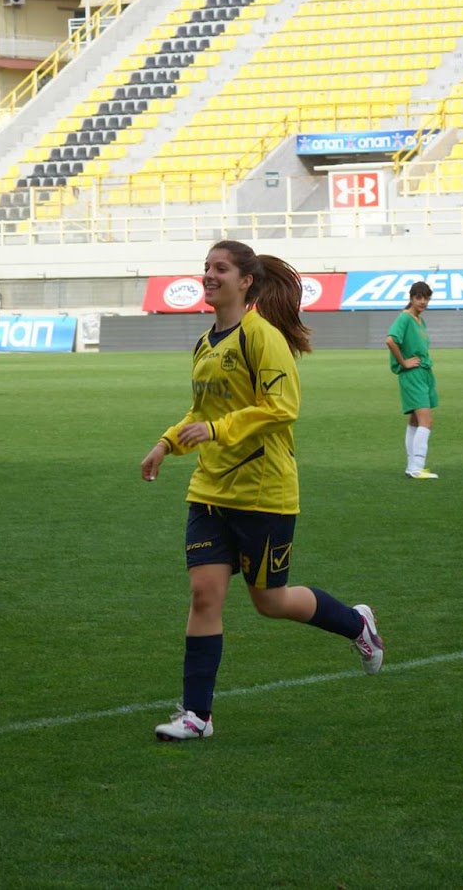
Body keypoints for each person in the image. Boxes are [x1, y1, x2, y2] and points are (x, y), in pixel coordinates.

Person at [139, 239, 385, 741]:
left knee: (269, 602)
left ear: (246, 280)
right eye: (206, 267)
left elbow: (282, 407)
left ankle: (356, 624)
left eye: (221, 268)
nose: (209, 275)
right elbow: (201, 413)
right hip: (210, 491)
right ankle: (197, 716)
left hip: (263, 492)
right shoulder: (205, 344)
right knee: (204, 596)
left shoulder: (262, 337)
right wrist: (166, 443)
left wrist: (218, 430)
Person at [386, 280, 438, 479]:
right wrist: (404, 362)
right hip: (413, 374)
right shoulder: (405, 318)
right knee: (426, 420)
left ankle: (412, 466)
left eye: (426, 298)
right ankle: (417, 467)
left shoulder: (419, 320)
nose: (423, 302)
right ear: (411, 298)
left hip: (423, 373)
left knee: (415, 419)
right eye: (419, 298)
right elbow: (390, 340)